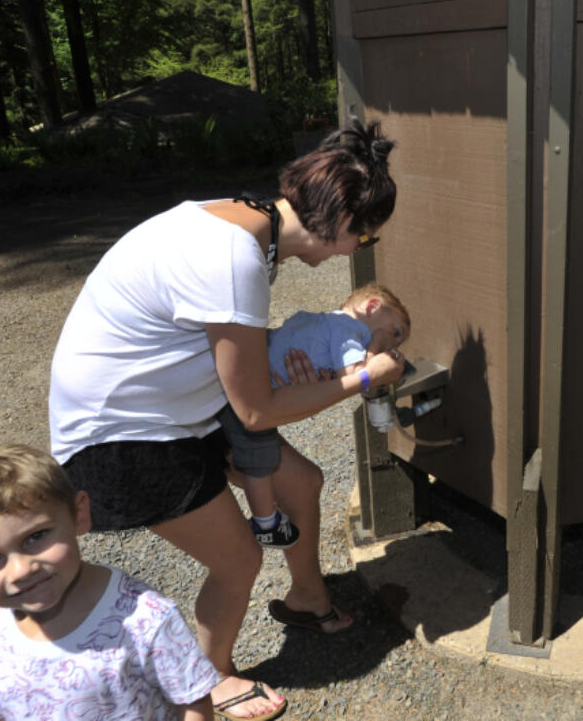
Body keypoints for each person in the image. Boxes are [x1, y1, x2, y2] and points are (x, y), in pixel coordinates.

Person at [48, 117, 406, 719]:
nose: (354, 252)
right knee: (238, 558)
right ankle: (210, 680)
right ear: (341, 221)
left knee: (303, 483)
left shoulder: (241, 216)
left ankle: (305, 595)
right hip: (124, 432)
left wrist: (283, 361)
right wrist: (366, 376)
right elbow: (256, 409)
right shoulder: (235, 256)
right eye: (363, 239)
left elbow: (221, 345)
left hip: (180, 405)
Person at [0, 445, 222, 720]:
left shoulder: (145, 618)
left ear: (79, 515)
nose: (21, 570)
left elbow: (192, 701)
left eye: (35, 537)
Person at [218, 282, 411, 549]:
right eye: (396, 331)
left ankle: (265, 520)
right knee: (259, 456)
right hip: (250, 395)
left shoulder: (325, 324)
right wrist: (377, 357)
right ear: (372, 307)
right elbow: (354, 376)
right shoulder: (350, 329)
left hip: (246, 378)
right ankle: (265, 523)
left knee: (258, 456)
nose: (394, 342)